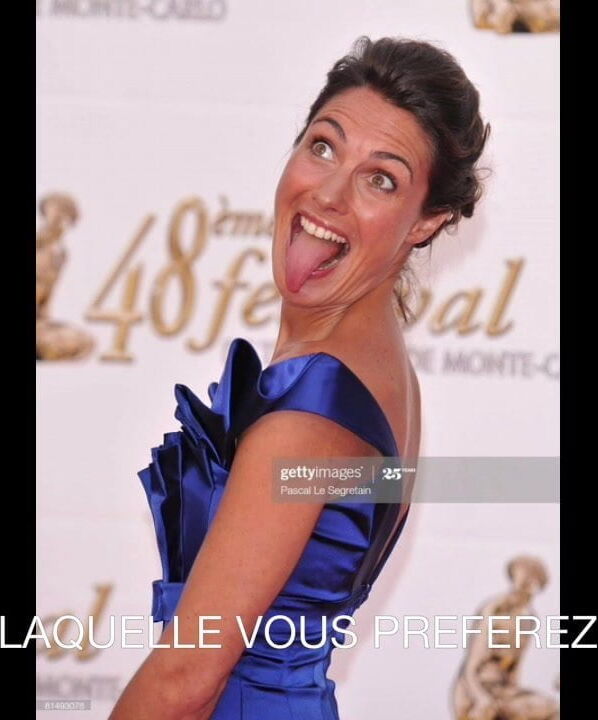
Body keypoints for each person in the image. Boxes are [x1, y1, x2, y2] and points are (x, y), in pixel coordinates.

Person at [109, 35, 490, 720]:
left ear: (427, 222)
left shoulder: (309, 417)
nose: (330, 193)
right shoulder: (377, 369)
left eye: (381, 180)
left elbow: (184, 681)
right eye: (323, 146)